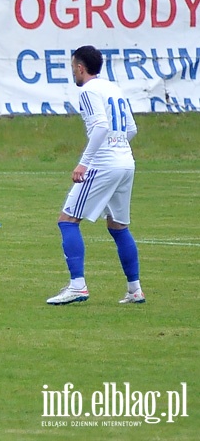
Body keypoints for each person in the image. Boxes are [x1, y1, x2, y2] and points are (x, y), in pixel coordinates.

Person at [46, 45, 144, 305]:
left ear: (80, 67)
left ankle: (78, 286)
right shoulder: (113, 88)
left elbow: (100, 125)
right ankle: (135, 289)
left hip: (105, 163)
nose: (73, 74)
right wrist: (118, 145)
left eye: (73, 68)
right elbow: (131, 128)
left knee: (67, 220)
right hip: (126, 161)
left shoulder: (88, 91)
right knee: (118, 226)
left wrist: (84, 163)